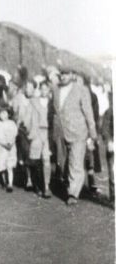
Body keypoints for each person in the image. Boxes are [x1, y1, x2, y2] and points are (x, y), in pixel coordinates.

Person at [51, 66, 97, 205]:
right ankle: (69, 184)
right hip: (60, 132)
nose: (63, 76)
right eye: (61, 74)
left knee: (76, 162)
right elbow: (54, 111)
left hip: (78, 132)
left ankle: (73, 193)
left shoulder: (81, 90)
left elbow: (88, 112)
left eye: (66, 74)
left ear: (72, 74)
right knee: (63, 162)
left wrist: (92, 134)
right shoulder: (56, 89)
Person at [28, 80, 54, 198]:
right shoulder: (34, 102)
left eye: (46, 89)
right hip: (37, 132)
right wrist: (32, 132)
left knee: (46, 160)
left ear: (49, 90)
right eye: (42, 88)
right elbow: (29, 118)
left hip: (47, 133)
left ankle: (46, 187)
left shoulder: (52, 103)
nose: (44, 91)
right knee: (35, 161)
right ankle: (37, 184)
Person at [0, 103, 18, 192]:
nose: (2, 115)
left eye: (5, 113)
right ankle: (4, 181)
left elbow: (14, 135)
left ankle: (10, 183)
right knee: (1, 167)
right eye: (1, 113)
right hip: (0, 149)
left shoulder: (12, 124)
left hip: (9, 148)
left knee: (9, 166)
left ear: (9, 113)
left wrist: (10, 142)